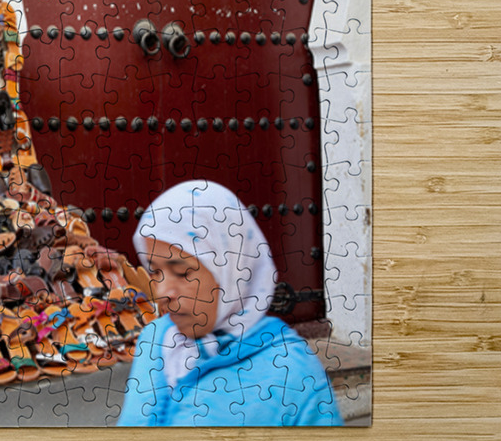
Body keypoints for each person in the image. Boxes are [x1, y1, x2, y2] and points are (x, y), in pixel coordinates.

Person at [118, 179, 342, 426]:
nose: (162, 292)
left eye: (182, 273)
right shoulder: (153, 341)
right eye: (154, 272)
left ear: (230, 268)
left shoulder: (293, 375)